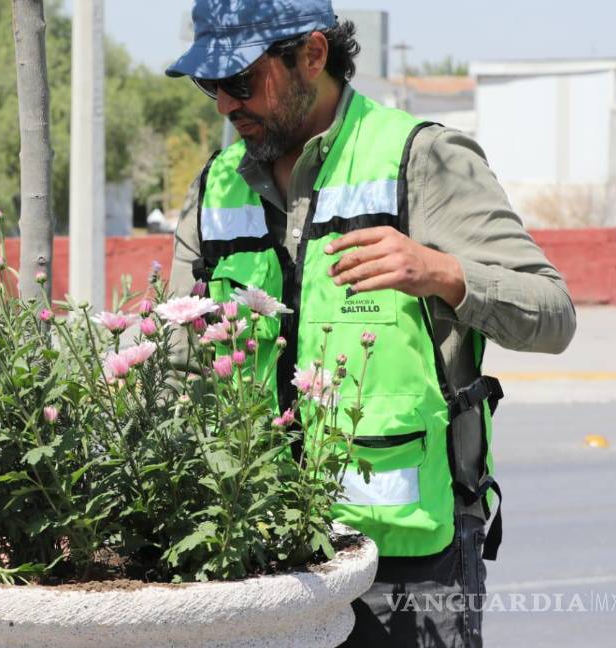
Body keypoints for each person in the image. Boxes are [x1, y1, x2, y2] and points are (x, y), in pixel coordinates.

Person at [165, 2, 576, 646]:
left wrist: (444, 273)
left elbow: (552, 315)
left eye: (240, 81)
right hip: (252, 554)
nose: (223, 105)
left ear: (313, 55)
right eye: (208, 84)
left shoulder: (424, 159)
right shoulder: (216, 188)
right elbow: (176, 356)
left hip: (409, 564)